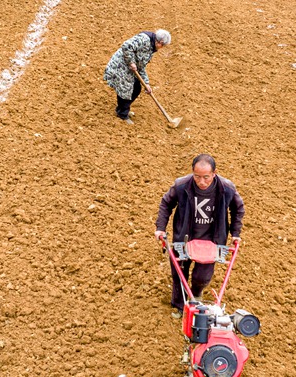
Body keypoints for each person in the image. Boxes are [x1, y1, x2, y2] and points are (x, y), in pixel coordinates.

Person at [155, 154, 245, 315]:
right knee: (179, 273)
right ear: (192, 173)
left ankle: (196, 294)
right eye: (197, 177)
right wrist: (160, 227)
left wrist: (235, 232)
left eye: (206, 177)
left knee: (202, 276)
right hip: (184, 237)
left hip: (212, 239)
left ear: (214, 173)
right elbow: (166, 203)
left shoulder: (226, 188)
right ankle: (179, 306)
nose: (201, 182)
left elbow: (238, 208)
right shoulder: (182, 186)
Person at [103, 29, 171, 124]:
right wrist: (131, 61)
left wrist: (146, 83)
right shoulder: (144, 39)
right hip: (121, 65)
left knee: (137, 88)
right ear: (160, 43)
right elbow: (126, 46)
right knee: (126, 89)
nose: (161, 48)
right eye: (163, 46)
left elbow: (141, 66)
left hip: (130, 68)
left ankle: (122, 108)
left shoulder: (151, 47)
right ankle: (122, 114)